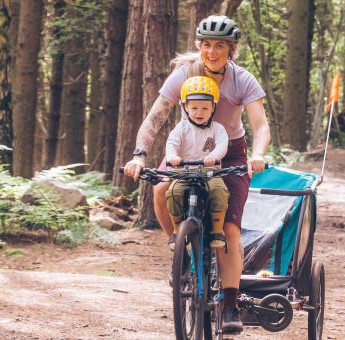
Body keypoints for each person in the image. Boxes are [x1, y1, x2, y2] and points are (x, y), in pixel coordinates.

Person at [123, 15, 270, 334]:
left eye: (220, 46)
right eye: (207, 45)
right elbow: (154, 120)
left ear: (231, 50)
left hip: (228, 151)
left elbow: (260, 125)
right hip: (187, 152)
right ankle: (180, 248)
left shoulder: (241, 79)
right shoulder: (183, 75)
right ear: (199, 46)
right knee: (161, 190)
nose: (212, 52)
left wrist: (257, 155)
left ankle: (230, 305)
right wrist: (139, 155)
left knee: (230, 228)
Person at [165, 76, 229, 250]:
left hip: (209, 171)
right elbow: (172, 143)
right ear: (185, 107)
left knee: (219, 190)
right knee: (173, 192)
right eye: (194, 108)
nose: (199, 112)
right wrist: (172, 156)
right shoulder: (182, 128)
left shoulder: (217, 128)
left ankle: (217, 230)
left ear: (213, 108)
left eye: (204, 108)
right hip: (183, 171)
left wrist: (214, 155)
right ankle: (177, 231)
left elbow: (223, 144)